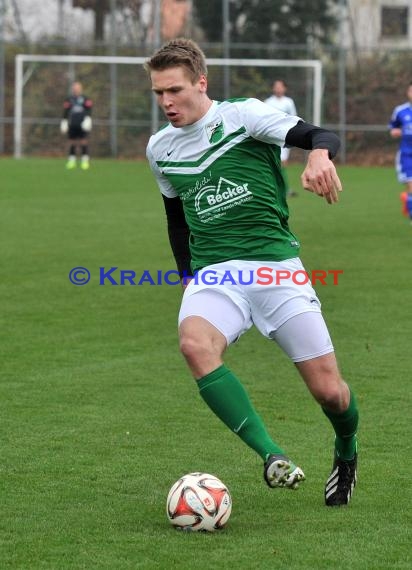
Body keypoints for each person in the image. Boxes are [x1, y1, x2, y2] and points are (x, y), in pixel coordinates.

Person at [145, 38, 359, 507]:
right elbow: (176, 220)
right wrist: (189, 280)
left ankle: (346, 450)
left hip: (274, 268)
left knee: (330, 393)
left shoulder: (243, 117)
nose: (167, 102)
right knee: (194, 344)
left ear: (201, 83)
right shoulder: (160, 149)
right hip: (216, 275)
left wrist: (319, 156)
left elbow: (321, 136)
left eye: (175, 90)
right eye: (159, 93)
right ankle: (271, 456)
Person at [264, 79, 298, 196]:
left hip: (285, 136)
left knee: (282, 163)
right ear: (273, 88)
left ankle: (283, 189)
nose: (278, 88)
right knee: (275, 163)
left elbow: (293, 118)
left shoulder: (288, 102)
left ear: (284, 88)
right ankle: (282, 189)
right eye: (276, 86)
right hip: (272, 136)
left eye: (280, 86)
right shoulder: (268, 102)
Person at [389, 82, 412, 222]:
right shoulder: (400, 111)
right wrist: (395, 132)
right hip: (407, 154)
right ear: (408, 93)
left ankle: (407, 199)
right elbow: (393, 128)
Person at [60, 81, 93, 170]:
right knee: (72, 142)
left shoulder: (85, 99)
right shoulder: (69, 99)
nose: (76, 90)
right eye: (74, 88)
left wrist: (88, 119)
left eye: (77, 88)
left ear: (81, 89)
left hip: (82, 124)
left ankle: (84, 161)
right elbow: (65, 111)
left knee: (83, 141)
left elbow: (89, 109)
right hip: (72, 124)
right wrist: (64, 121)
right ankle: (72, 161)